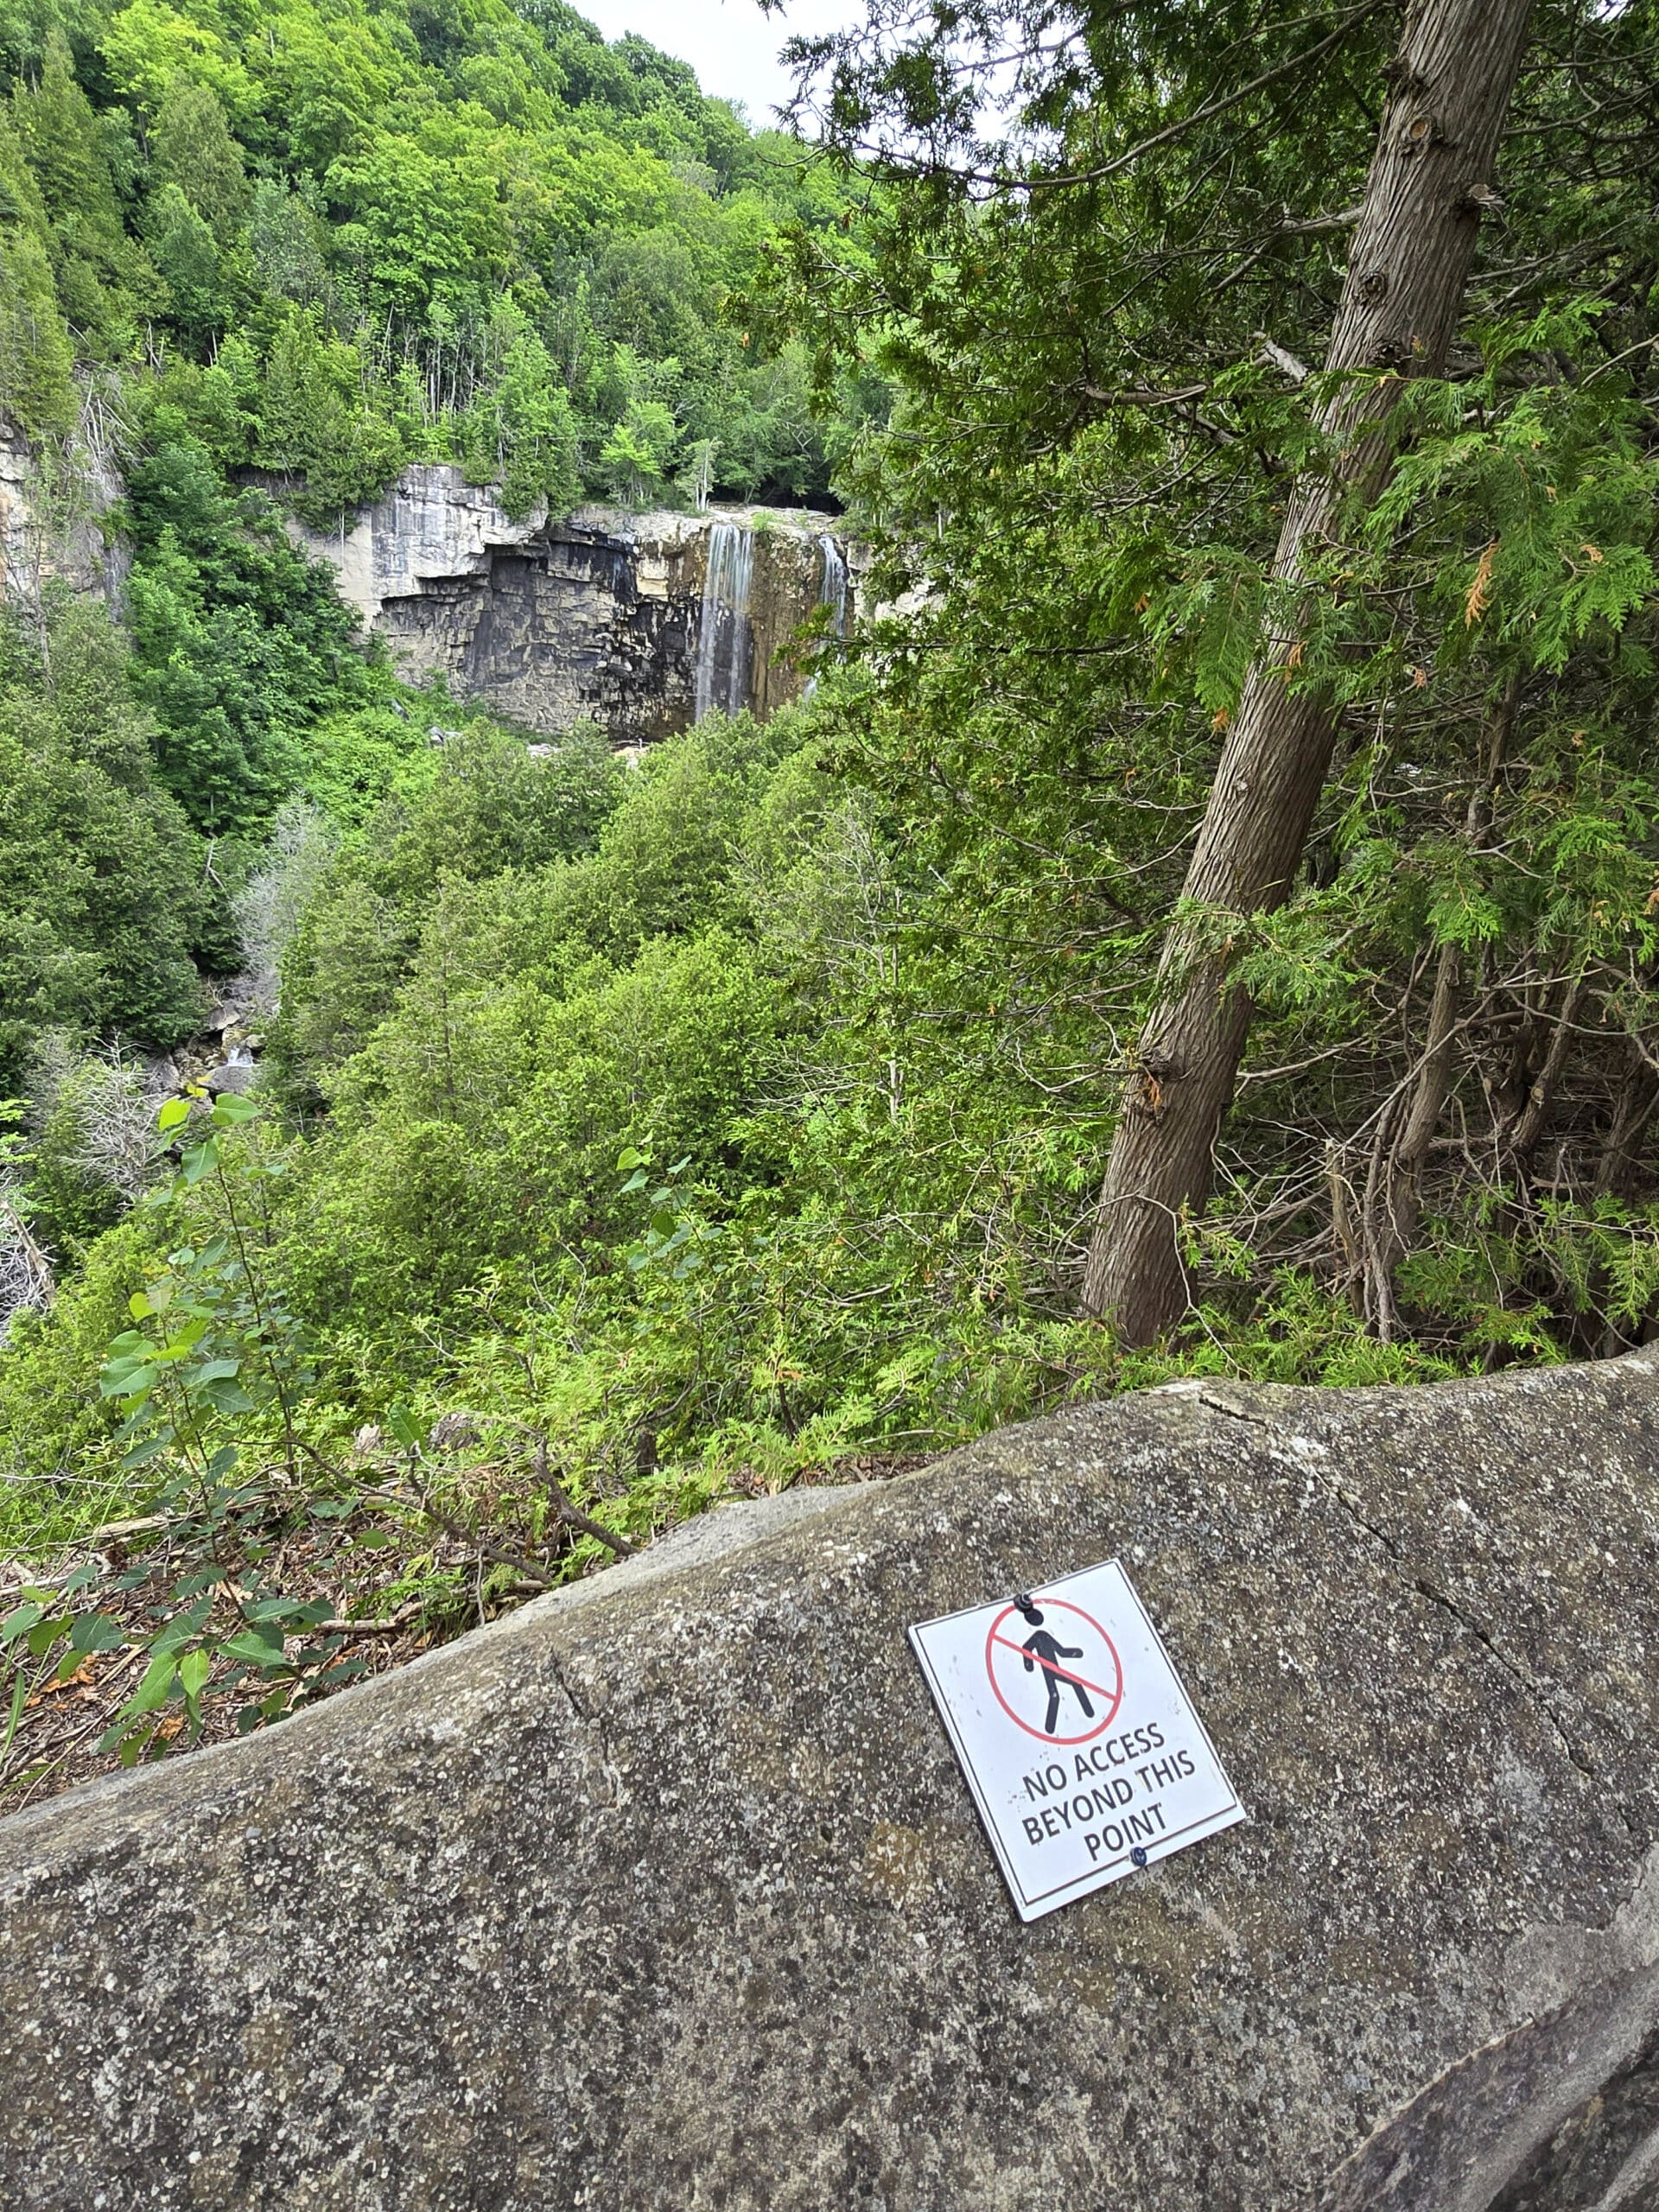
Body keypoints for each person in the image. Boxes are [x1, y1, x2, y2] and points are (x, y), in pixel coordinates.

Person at [1014, 1598, 1094, 1736]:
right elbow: (1026, 1648)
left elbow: (1061, 1651)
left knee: (1072, 1686)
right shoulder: (1038, 1636)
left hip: (1055, 1668)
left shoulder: (1044, 1635)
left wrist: (1075, 1653)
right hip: (1048, 1670)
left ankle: (1090, 1714)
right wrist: (1029, 1665)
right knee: (1055, 1695)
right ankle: (1050, 1729)